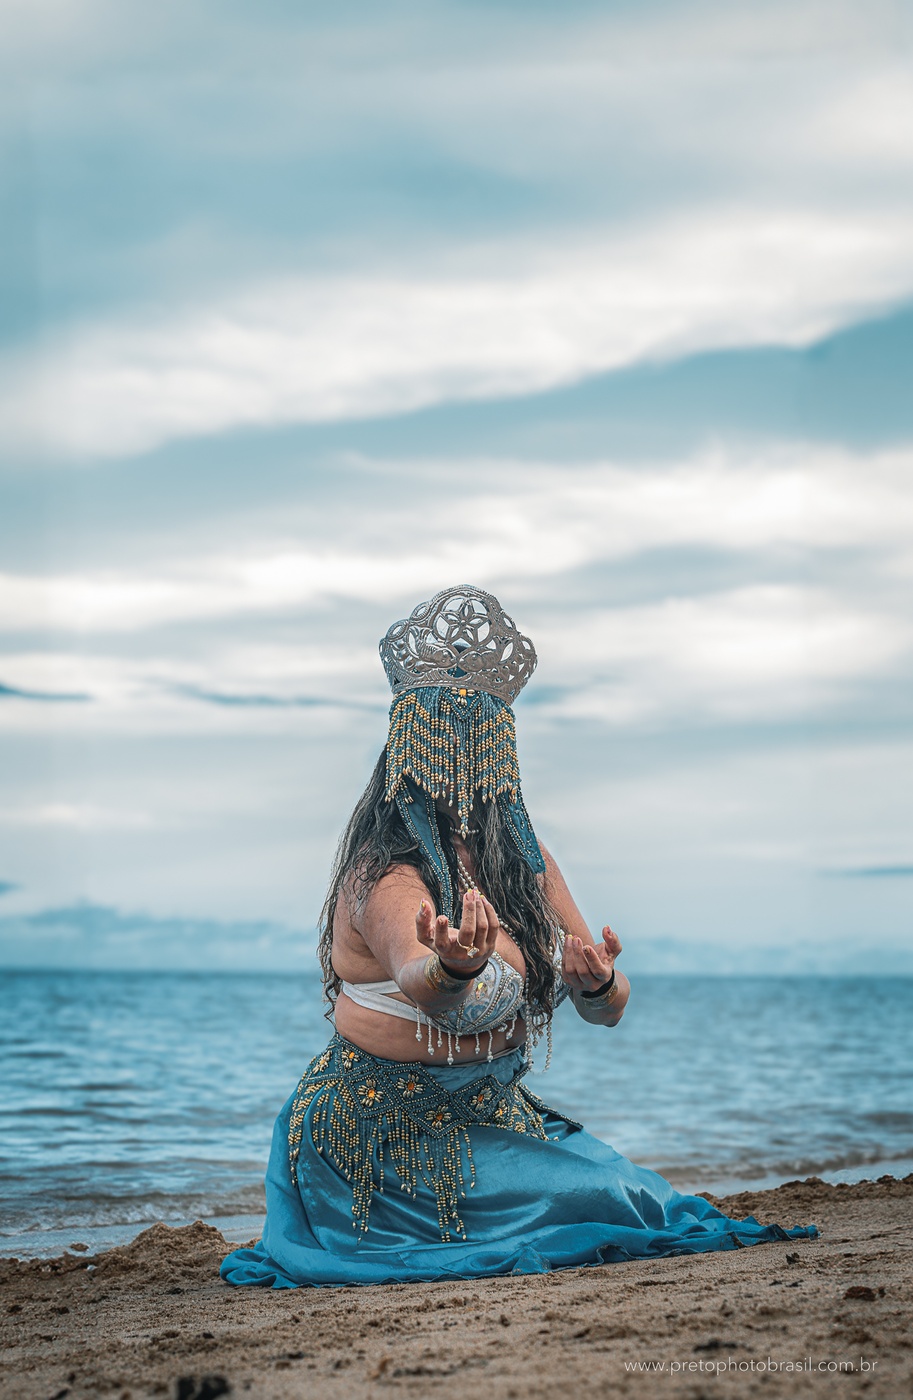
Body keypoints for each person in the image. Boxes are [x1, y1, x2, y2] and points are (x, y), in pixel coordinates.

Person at [220, 585, 818, 1288]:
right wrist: (452, 968)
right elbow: (420, 981)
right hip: (381, 1139)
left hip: (498, 1114)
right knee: (604, 1204)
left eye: (483, 741)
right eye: (447, 739)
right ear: (412, 750)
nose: (466, 758)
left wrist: (597, 981)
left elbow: (609, 1008)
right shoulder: (384, 876)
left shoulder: (526, 866)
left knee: (643, 1200)